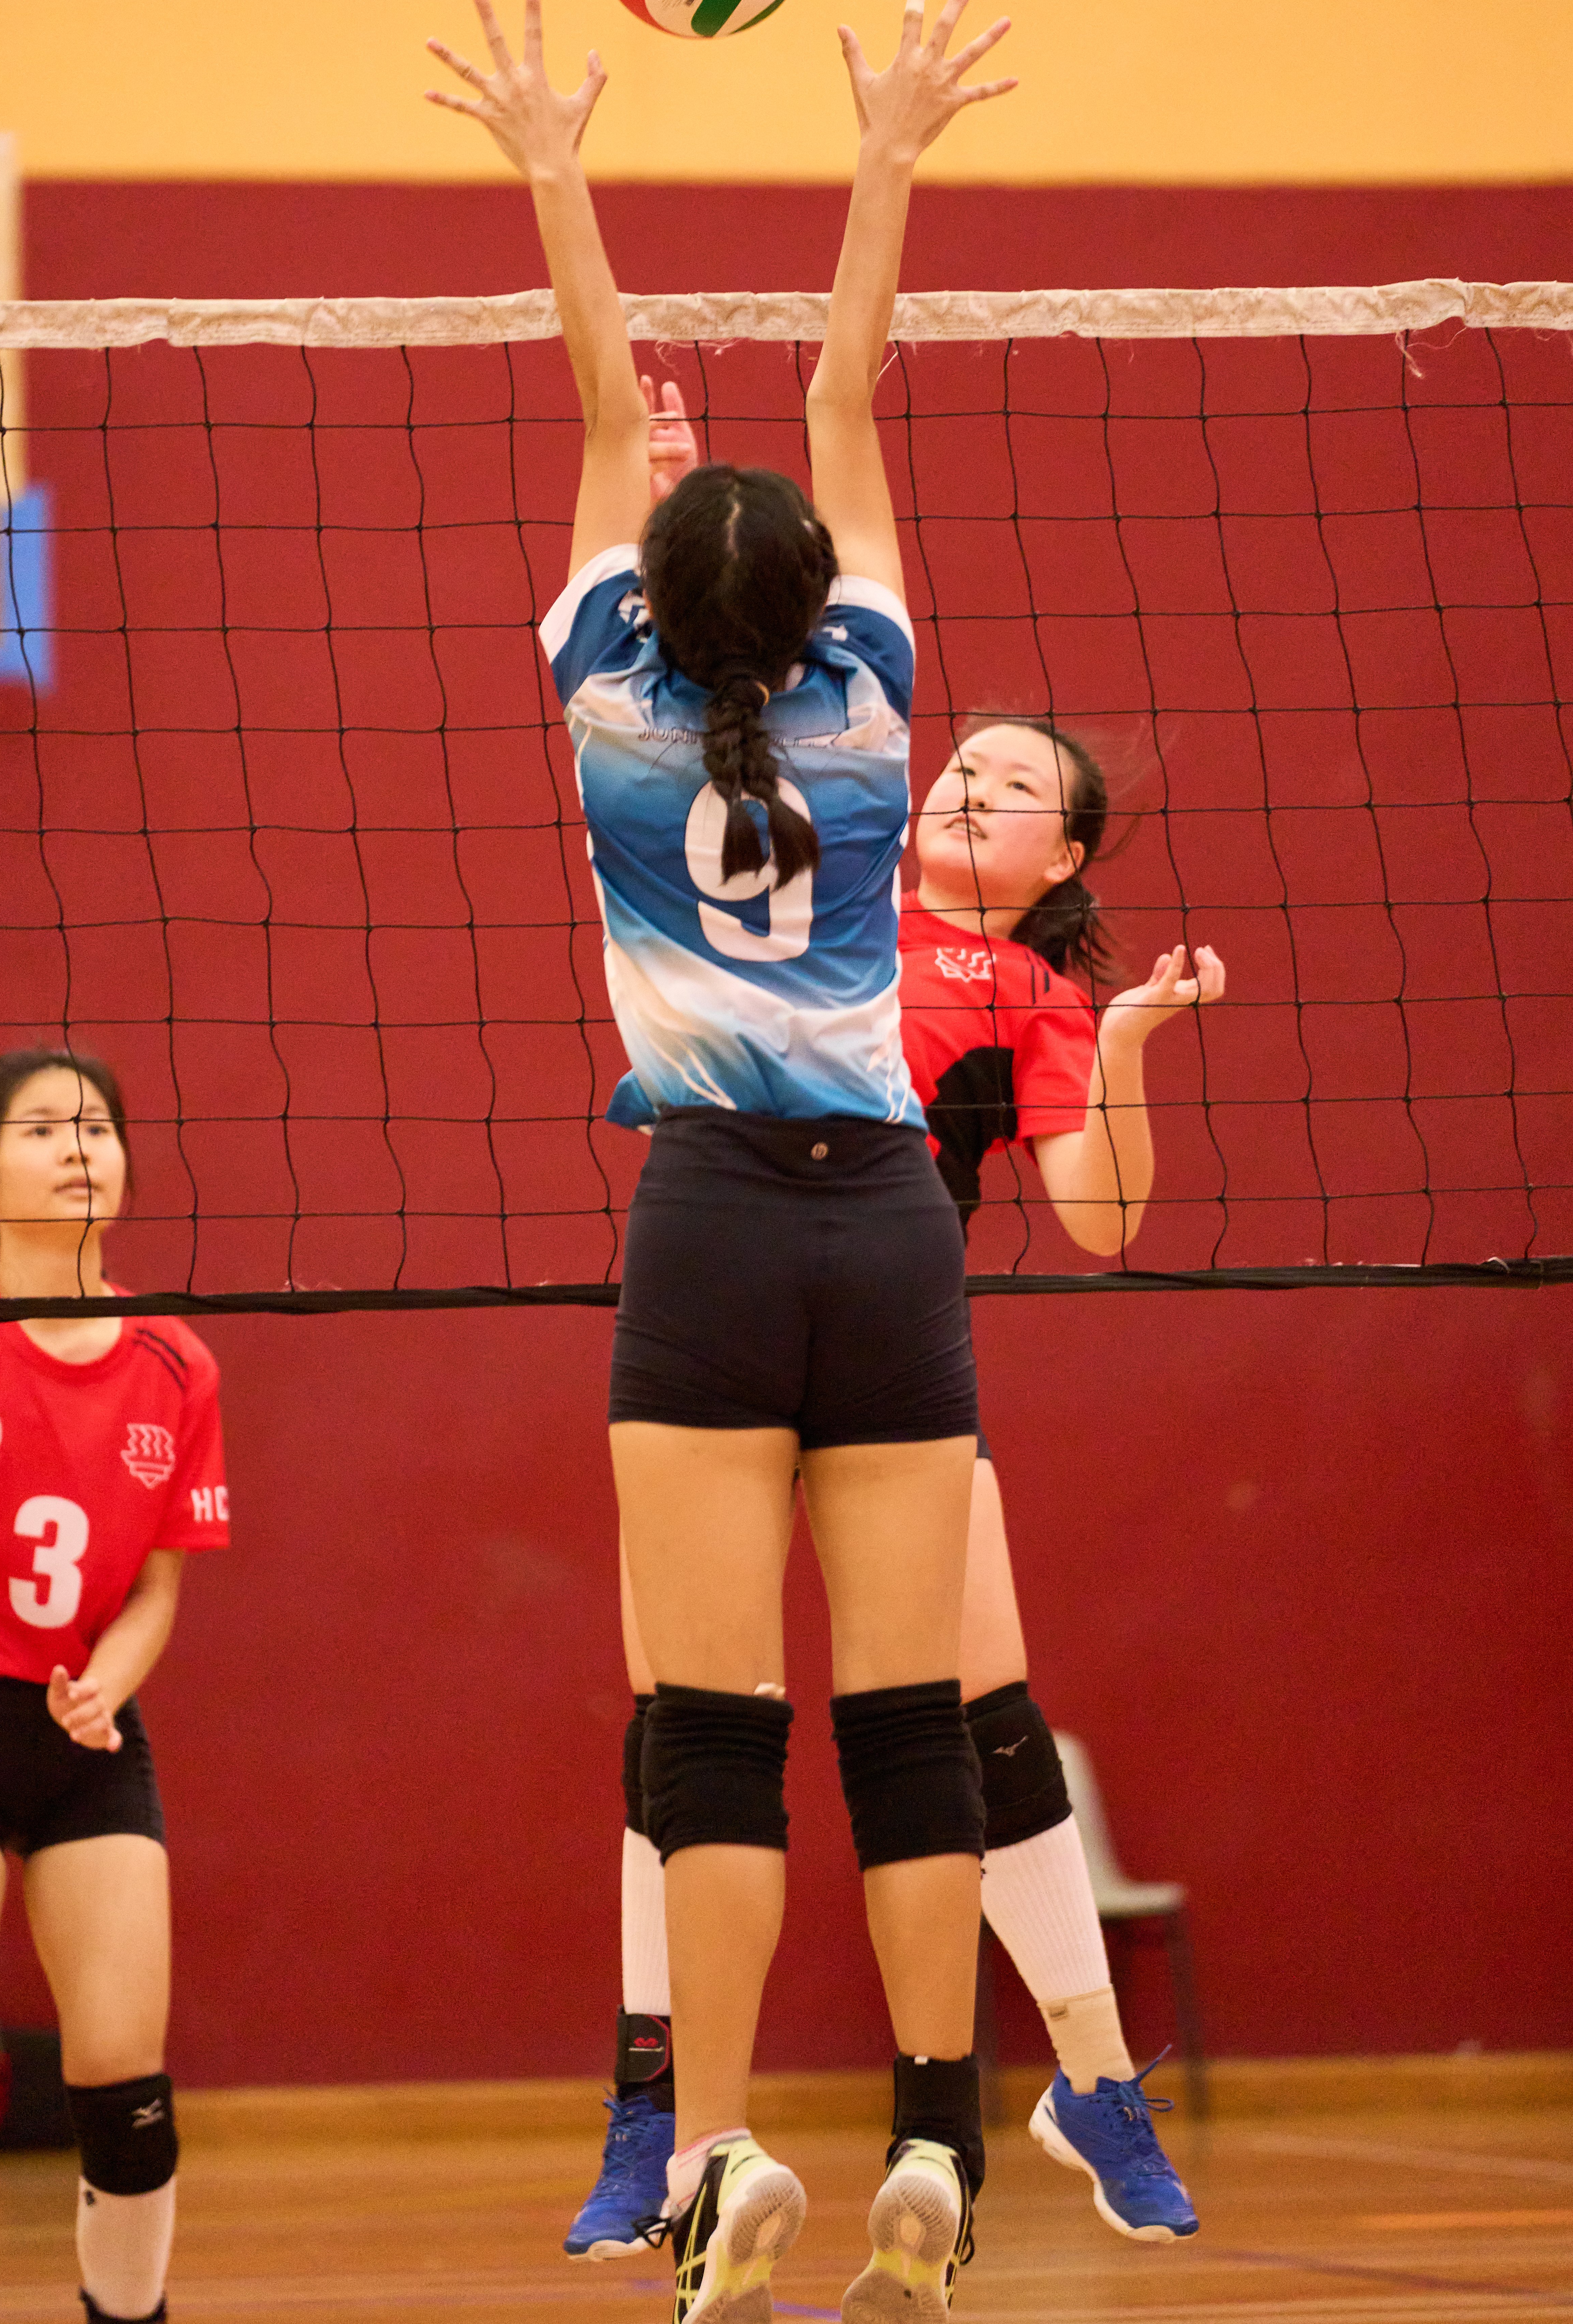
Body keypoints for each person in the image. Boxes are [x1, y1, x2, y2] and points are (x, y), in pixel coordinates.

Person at [428, 0, 1015, 2323]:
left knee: (710, 1724)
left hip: (697, 1230)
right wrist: (886, 153)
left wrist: (553, 166)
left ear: (660, 599)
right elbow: (842, 392)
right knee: (908, 1716)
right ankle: (944, 2144)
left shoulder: (599, 688)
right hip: (885, 1227)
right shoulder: (874, 693)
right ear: (810, 606)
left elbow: (606, 403)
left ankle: (727, 2143)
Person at [561, 400, 1226, 2260]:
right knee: (694, 1721)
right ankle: (657, 2113)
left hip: (885, 1348)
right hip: (723, 1294)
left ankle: (1047, 2088)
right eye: (969, 762)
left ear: (1064, 854)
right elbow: (706, 658)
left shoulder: (1026, 990)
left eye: (1020, 786)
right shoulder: (821, 831)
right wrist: (680, 506)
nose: (972, 785)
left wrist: (1136, 1052)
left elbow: (1103, 1220)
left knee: (966, 1720)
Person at [0, 1050, 230, 2324]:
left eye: (98, 1126)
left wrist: (108, 1685)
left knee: (128, 2095)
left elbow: (158, 1589)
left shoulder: (177, 1363)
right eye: (43, 1130)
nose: (80, 1147)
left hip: (89, 1739)